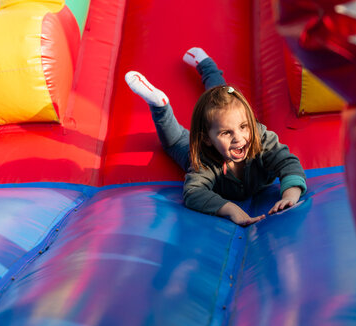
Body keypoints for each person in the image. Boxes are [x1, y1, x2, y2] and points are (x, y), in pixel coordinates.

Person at [125, 47, 306, 226]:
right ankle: (160, 105)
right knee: (174, 141)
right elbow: (193, 192)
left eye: (244, 126)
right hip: (201, 148)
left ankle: (206, 65)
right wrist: (230, 208)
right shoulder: (202, 159)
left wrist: (290, 194)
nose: (238, 137)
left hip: (224, 110)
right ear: (207, 139)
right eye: (226, 133)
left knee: (222, 96)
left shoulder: (261, 139)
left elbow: (288, 162)